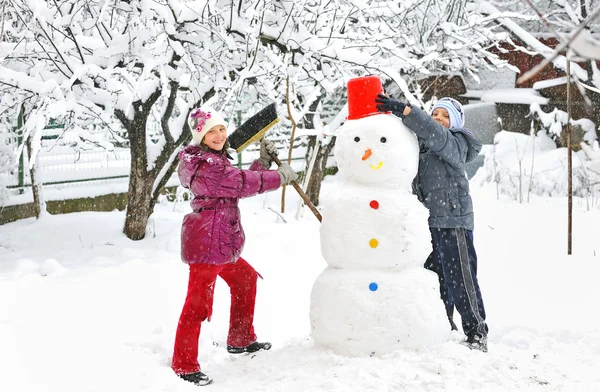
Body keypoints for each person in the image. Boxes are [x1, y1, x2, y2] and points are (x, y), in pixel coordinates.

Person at [172, 106, 298, 386]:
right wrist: (279, 177)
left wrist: (262, 164)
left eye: (221, 129)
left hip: (220, 242)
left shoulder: (213, 160)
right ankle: (184, 364)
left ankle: (240, 339)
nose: (218, 135)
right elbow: (240, 183)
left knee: (245, 279)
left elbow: (236, 183)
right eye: (211, 131)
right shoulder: (206, 166)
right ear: (200, 136)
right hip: (207, 245)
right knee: (198, 305)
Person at [375, 94, 489, 352]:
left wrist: (406, 111)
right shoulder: (423, 147)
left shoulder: (457, 143)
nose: (438, 118)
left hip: (453, 220)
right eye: (435, 113)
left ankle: (476, 332)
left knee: (461, 279)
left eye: (445, 115)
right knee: (435, 280)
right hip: (428, 224)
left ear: (456, 121)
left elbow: (435, 134)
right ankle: (445, 328)